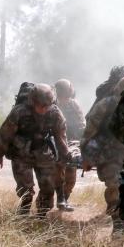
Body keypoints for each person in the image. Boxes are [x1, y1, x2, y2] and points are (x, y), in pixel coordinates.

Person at [0, 84, 68, 218]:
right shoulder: (19, 112)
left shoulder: (55, 113)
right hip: (21, 153)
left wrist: (65, 156)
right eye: (41, 105)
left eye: (47, 105)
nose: (44, 109)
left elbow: (61, 137)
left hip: (42, 151)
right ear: (33, 101)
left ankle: (42, 215)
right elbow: (5, 135)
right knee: (25, 189)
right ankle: (24, 210)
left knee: (48, 187)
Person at [80, 68, 124, 238]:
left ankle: (122, 224)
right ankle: (119, 227)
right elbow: (89, 131)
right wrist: (87, 156)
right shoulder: (105, 105)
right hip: (107, 153)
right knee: (115, 187)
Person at [53, 78, 86, 212]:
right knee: (56, 176)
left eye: (67, 95)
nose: (65, 98)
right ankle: (58, 199)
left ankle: (64, 199)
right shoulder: (51, 104)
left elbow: (81, 123)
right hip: (54, 143)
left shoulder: (74, 105)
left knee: (71, 177)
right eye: (63, 94)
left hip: (71, 143)